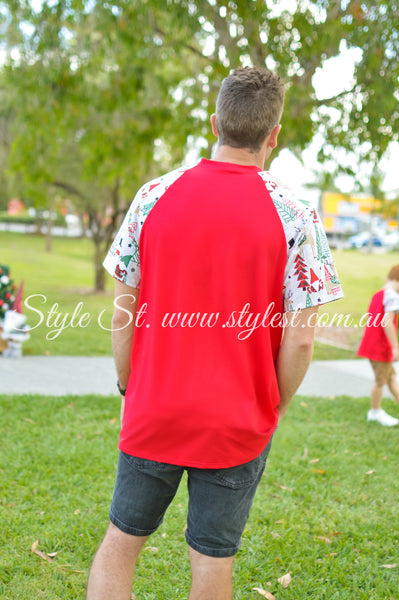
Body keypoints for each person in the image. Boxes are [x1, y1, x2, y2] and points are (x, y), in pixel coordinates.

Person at [87, 66, 343, 600]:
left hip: (154, 407)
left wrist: (129, 385)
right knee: (211, 560)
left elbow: (123, 311)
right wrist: (273, 404)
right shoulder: (297, 214)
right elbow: (300, 339)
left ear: (214, 124)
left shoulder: (153, 195)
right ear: (273, 135)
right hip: (237, 420)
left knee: (121, 542)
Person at [357, 265, 399, 426]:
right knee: (380, 380)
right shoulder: (393, 297)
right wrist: (395, 347)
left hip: (372, 344)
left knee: (391, 377)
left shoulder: (379, 294)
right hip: (382, 347)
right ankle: (375, 411)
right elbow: (387, 321)